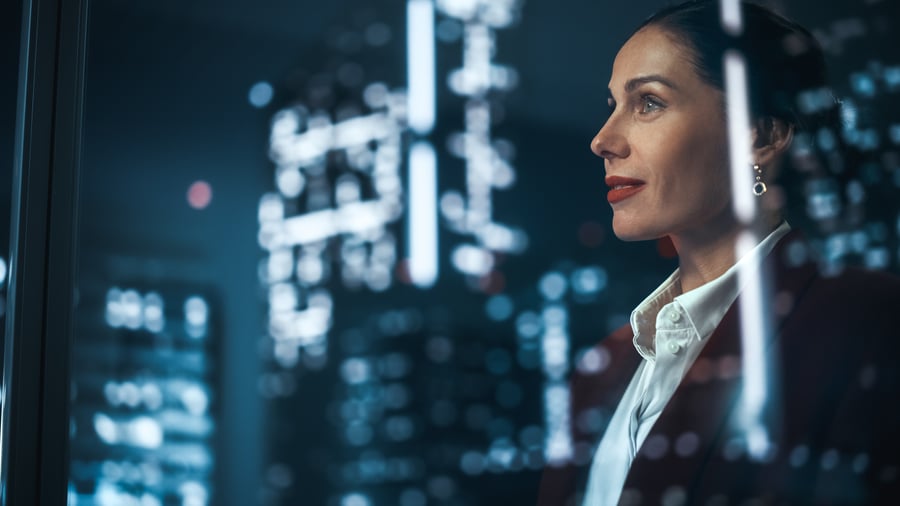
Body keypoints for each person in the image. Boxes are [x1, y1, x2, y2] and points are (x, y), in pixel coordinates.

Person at [536, 1, 900, 504]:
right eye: (612, 105)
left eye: (648, 103)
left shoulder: (865, 323)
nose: (603, 140)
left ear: (761, 135)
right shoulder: (604, 368)